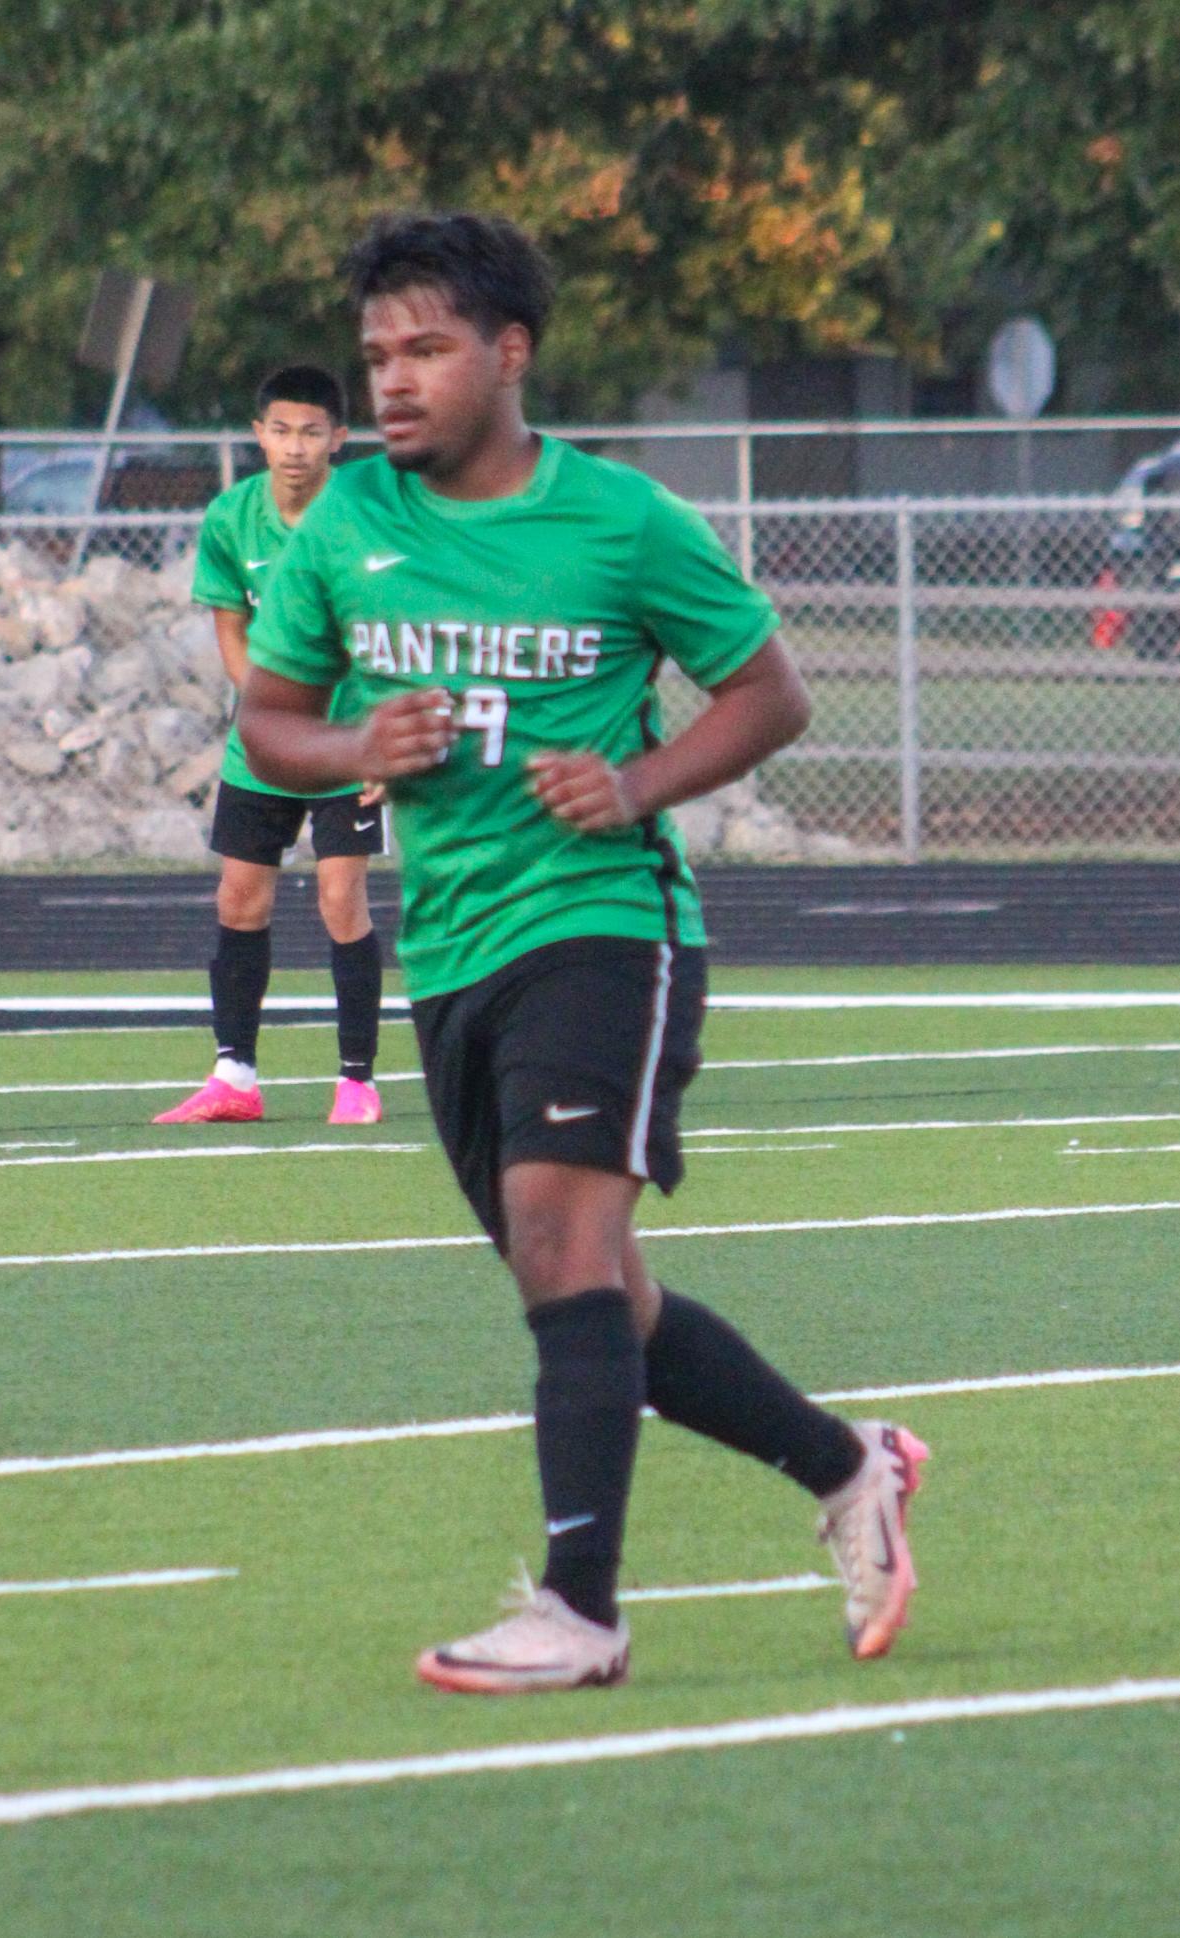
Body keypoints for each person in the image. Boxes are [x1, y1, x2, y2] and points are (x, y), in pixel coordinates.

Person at [237, 211, 927, 1693]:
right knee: (588, 1288)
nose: (394, 382)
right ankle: (846, 1462)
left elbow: (771, 692)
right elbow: (269, 719)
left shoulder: (619, 520)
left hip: (607, 924)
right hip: (460, 944)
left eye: (425, 349)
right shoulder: (344, 528)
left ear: (510, 352)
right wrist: (357, 739)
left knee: (562, 1245)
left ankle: (580, 1611)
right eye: (376, 357)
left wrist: (635, 785)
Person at [154, 366, 387, 1129]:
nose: (295, 447)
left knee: (338, 898)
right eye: (281, 430)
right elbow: (228, 625)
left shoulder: (367, 519)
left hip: (346, 743)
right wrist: (265, 712)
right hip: (262, 743)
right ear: (258, 435)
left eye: (312, 431)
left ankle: (355, 1082)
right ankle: (234, 1078)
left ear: (339, 439)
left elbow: (403, 629)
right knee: (238, 899)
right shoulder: (230, 518)